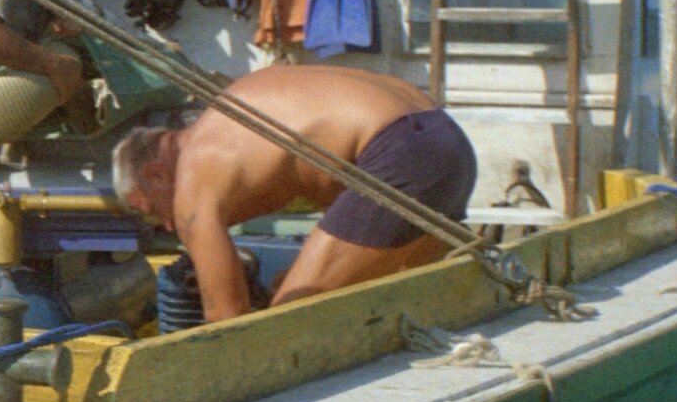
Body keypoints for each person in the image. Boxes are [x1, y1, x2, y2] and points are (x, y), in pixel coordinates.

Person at [112, 64, 477, 323]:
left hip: (401, 154)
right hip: (449, 143)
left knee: (288, 320)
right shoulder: (235, 114)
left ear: (157, 173)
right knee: (413, 305)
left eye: (154, 210)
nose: (168, 224)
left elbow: (226, 317)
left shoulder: (196, 169)